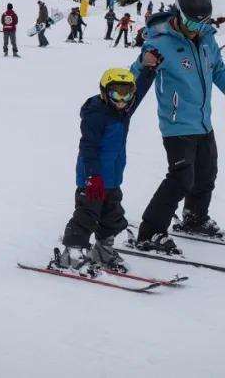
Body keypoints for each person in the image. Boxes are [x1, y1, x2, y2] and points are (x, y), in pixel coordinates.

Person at [129, 0, 225, 253]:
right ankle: (150, 231)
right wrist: (141, 63)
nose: (196, 29)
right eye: (191, 23)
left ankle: (195, 218)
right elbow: (135, 76)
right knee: (181, 178)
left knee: (206, 174)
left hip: (203, 122)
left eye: (202, 23)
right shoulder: (159, 43)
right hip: (177, 124)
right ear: (177, 14)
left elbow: (219, 71)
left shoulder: (207, 39)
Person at [53, 67, 156, 273]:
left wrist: (149, 71)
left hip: (112, 178)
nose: (122, 99)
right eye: (116, 93)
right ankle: (72, 254)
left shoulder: (123, 111)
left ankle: (102, 251)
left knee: (113, 216)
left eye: (127, 93)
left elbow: (141, 90)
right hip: (92, 178)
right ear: (104, 92)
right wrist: (92, 176)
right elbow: (88, 146)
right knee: (86, 215)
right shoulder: (96, 114)